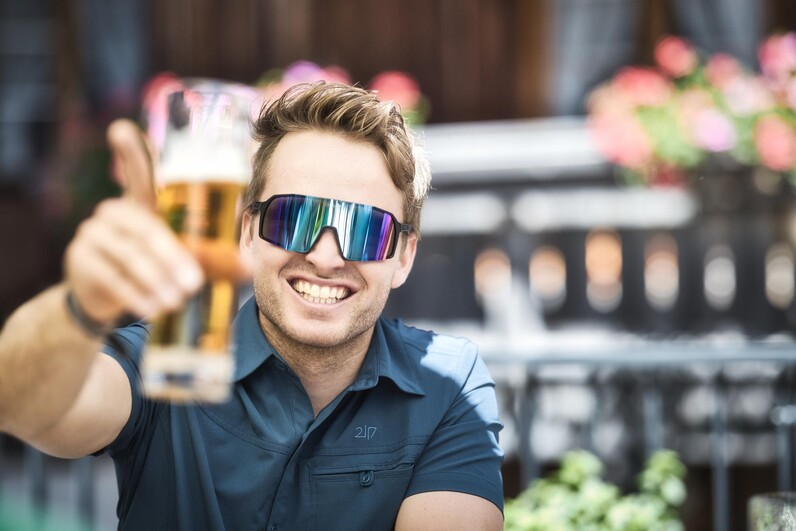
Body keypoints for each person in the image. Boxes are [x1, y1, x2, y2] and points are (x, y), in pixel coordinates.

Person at [0, 82, 504, 530]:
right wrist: (79, 307)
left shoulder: (448, 382)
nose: (325, 256)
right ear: (247, 231)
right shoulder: (164, 359)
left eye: (365, 229)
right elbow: (21, 403)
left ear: (404, 256)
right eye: (293, 218)